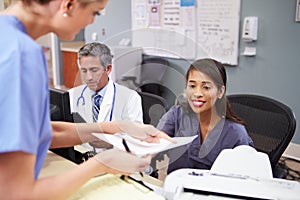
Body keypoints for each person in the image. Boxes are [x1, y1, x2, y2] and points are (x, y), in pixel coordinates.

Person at [0, 0, 172, 199]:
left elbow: (42, 131)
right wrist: (101, 164)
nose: (91, 22)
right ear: (69, 4)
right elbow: (15, 194)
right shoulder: (21, 54)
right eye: (95, 13)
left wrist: (118, 127)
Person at [156, 58, 254, 174]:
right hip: (178, 187)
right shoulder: (176, 115)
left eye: (206, 87)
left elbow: (247, 176)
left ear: (220, 92)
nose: (197, 94)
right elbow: (153, 145)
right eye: (192, 86)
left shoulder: (236, 134)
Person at [69, 42, 143, 153]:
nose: (88, 77)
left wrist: (112, 143)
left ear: (107, 69)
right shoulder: (72, 95)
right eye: (84, 71)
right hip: (81, 157)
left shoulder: (130, 98)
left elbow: (136, 139)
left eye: (94, 70)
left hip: (114, 160)